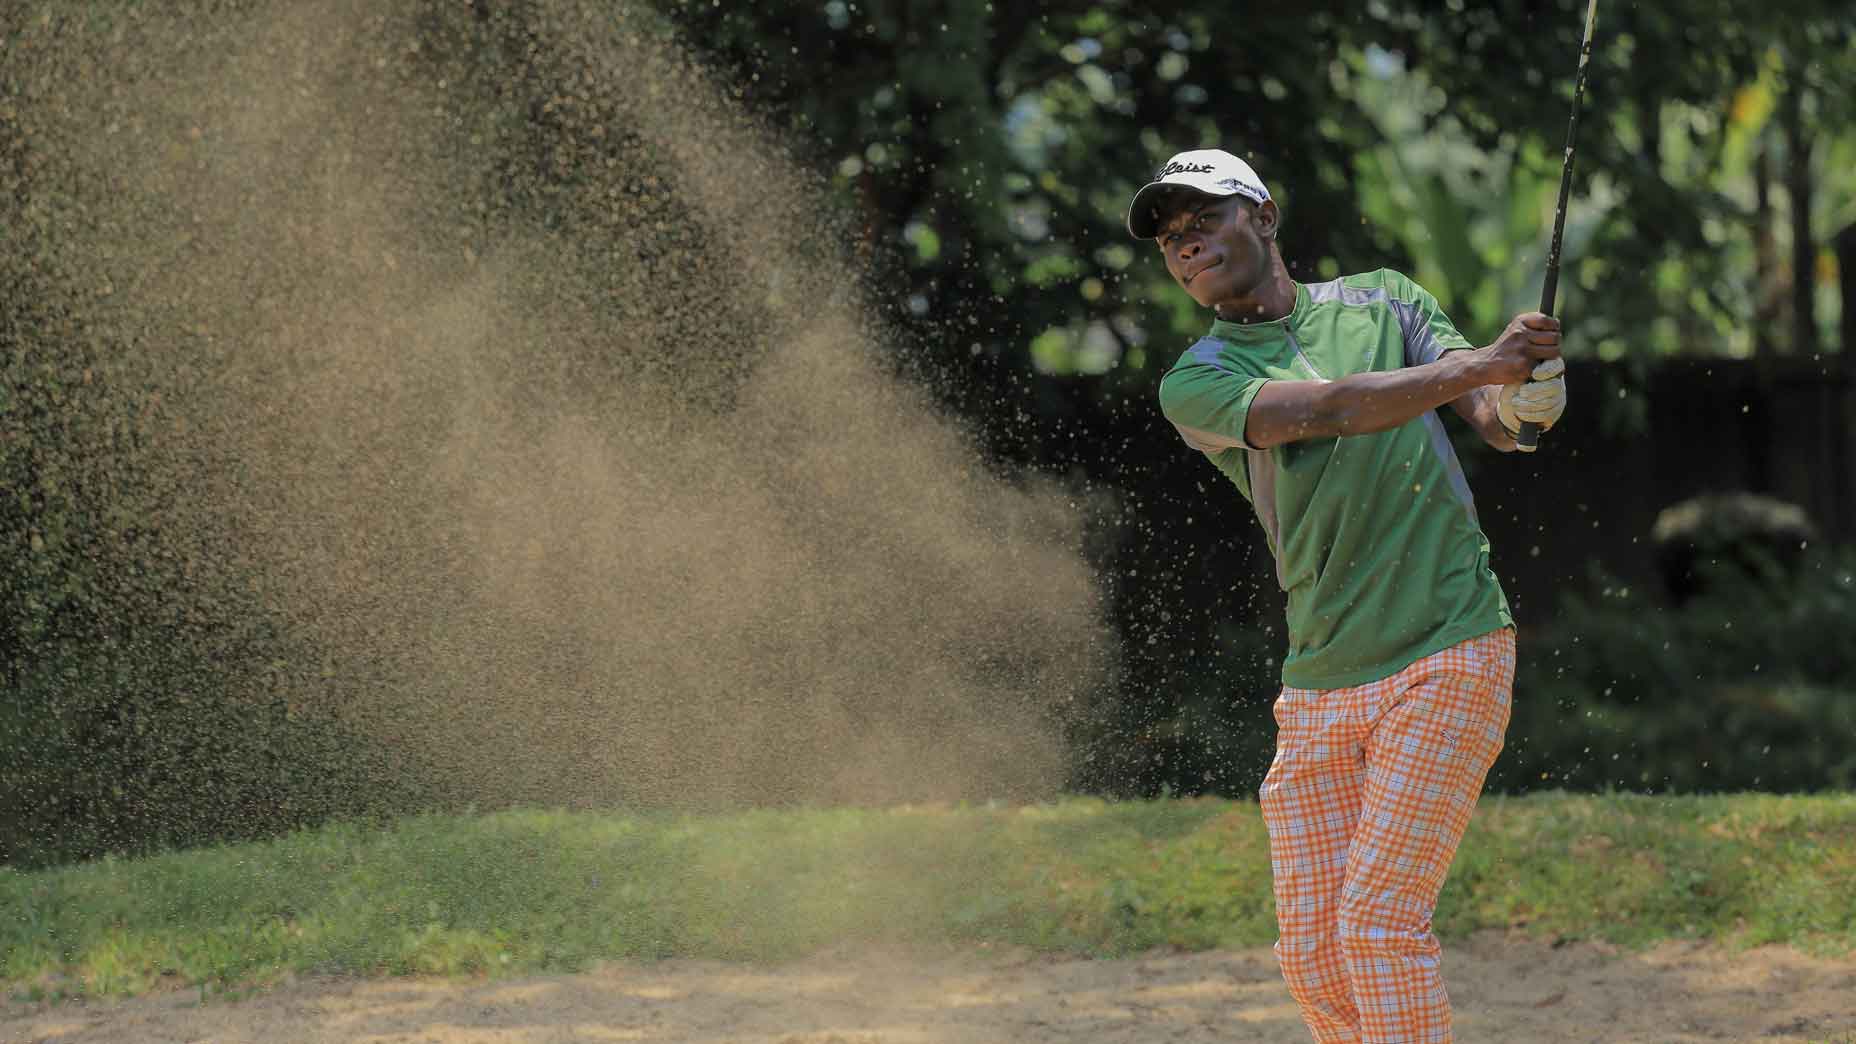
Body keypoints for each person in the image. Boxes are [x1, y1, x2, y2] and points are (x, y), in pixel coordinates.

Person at [1129, 148, 1566, 1043]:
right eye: (1172, 239)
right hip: (1320, 683)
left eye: (1205, 219)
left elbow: (1493, 419)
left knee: (1375, 924)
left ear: (1265, 216)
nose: (1187, 244)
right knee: (1312, 954)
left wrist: (1526, 399)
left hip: (1449, 646)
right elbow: (1328, 407)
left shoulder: (1385, 301)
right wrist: (1484, 368)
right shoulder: (1197, 380)